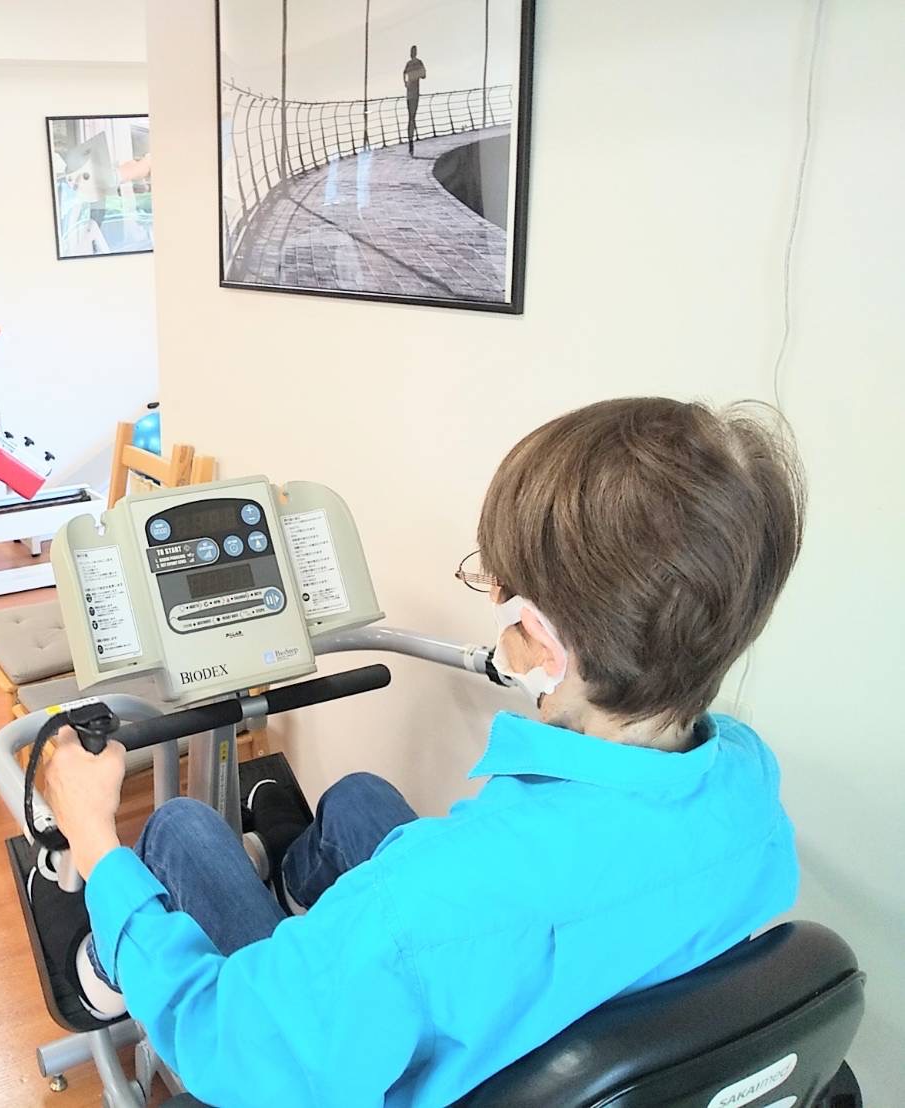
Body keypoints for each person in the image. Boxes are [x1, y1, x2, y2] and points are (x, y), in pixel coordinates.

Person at [40, 398, 806, 1106]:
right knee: (358, 799)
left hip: (348, 1060)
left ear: (544, 641)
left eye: (497, 588)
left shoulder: (414, 904)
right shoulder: (748, 779)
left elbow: (224, 1043)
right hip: (545, 1016)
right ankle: (302, 901)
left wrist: (94, 839)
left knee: (182, 829)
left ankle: (106, 970)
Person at [403, 45, 427, 154]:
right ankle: (411, 140)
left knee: (411, 116)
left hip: (410, 92)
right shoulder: (417, 63)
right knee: (412, 116)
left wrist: (406, 83)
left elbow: (404, 73)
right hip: (414, 93)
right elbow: (424, 75)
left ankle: (411, 139)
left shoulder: (409, 64)